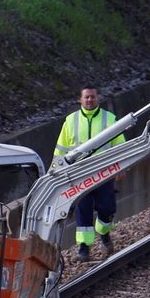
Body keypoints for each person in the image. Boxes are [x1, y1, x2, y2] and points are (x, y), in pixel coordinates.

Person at [53, 85, 125, 261]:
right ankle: (84, 250)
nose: (89, 100)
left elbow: (121, 146)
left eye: (92, 97)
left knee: (107, 208)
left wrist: (122, 166)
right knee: (83, 211)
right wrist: (56, 171)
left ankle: (104, 232)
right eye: (86, 97)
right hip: (80, 175)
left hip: (104, 174)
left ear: (97, 98)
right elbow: (60, 149)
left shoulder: (110, 119)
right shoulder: (71, 121)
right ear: (80, 99)